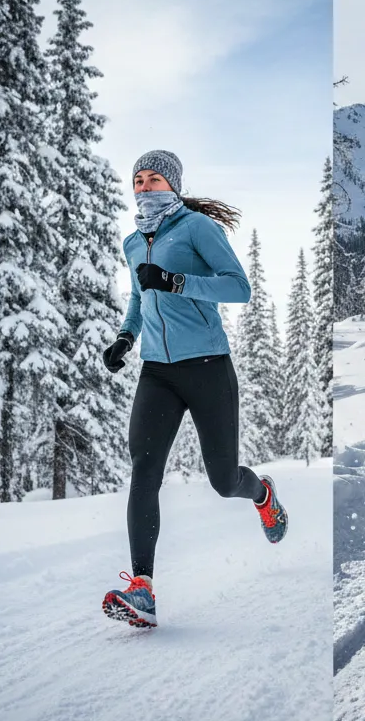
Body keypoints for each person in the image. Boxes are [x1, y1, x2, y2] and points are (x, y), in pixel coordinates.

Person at [100, 150, 288, 629]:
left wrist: (176, 280)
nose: (144, 187)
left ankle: (263, 494)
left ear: (173, 184)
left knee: (224, 481)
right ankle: (142, 589)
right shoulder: (132, 241)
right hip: (156, 372)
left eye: (154, 178)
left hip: (206, 366)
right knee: (144, 470)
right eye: (138, 179)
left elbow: (238, 288)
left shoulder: (197, 228)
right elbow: (140, 301)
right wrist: (125, 338)